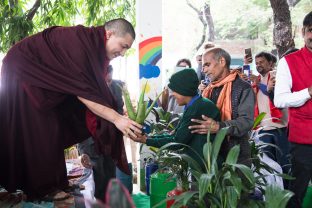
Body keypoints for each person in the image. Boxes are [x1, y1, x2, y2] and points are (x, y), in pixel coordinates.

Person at [0, 18, 142, 200]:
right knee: (42, 128)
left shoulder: (95, 48)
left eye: (126, 49)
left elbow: (96, 91)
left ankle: (58, 181)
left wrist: (118, 114)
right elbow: (85, 93)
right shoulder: (82, 45)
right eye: (123, 46)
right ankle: (44, 187)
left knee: (56, 126)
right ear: (109, 34)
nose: (122, 53)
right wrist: (116, 119)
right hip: (22, 72)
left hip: (44, 80)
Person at [133, 68, 220, 169]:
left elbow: (177, 142)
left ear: (184, 90)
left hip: (205, 168)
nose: (172, 94)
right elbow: (176, 134)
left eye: (175, 91)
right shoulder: (197, 104)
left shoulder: (196, 109)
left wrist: (146, 140)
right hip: (202, 164)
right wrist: (149, 138)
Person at [189, 47, 255, 166]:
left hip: (236, 156)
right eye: (203, 66)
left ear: (222, 62)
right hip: (211, 155)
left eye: (207, 65)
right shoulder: (208, 89)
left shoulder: (243, 87)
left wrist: (219, 127)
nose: (204, 70)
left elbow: (246, 121)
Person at [274, 11, 312, 208]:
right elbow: (280, 100)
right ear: (303, 32)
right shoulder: (288, 62)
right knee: (296, 193)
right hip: (303, 140)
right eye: (311, 31)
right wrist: (308, 92)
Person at [78, 65, 124, 201]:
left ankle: (110, 201)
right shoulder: (86, 88)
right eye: (105, 81)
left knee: (110, 173)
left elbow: (119, 110)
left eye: (110, 80)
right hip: (89, 138)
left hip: (110, 138)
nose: (108, 84)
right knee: (96, 175)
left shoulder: (117, 87)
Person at [253, 52, 289, 175]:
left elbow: (273, 92)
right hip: (263, 128)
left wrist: (258, 84)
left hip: (279, 128)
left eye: (261, 62)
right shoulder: (257, 79)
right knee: (267, 165)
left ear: (270, 63)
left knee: (284, 163)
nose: (258, 65)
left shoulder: (276, 75)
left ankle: (288, 192)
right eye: (256, 63)